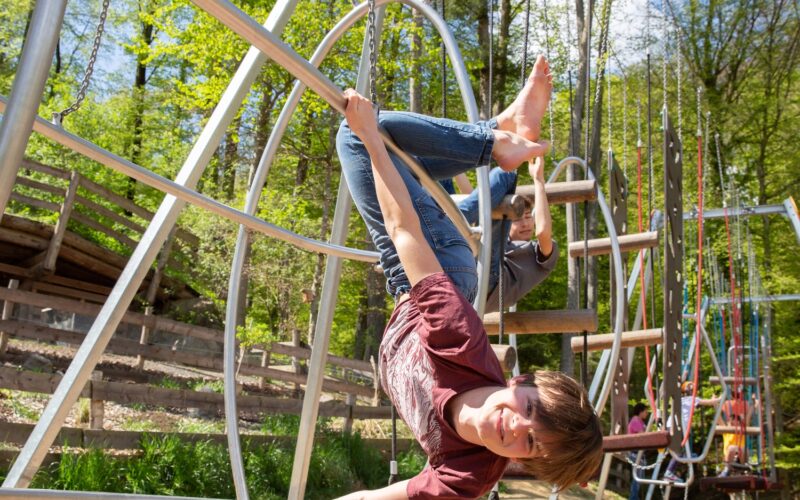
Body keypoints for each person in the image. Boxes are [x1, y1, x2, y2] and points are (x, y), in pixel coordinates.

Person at [333, 82, 603, 498]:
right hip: (435, 263)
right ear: (519, 382)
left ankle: (502, 136)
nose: (513, 427)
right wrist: (368, 136)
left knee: (398, 151)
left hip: (435, 283)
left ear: (523, 462)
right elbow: (403, 229)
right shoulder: (459, 342)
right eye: (527, 409)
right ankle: (496, 143)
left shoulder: (469, 475)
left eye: (529, 442)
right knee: (358, 136)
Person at [663, 381, 717, 482]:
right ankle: (669, 472)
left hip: (671, 425)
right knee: (678, 450)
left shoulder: (680, 399)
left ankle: (679, 462)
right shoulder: (692, 399)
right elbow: (709, 402)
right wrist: (718, 398)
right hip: (678, 427)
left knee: (678, 450)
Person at [718, 389, 756, 477]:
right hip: (731, 453)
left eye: (736, 421)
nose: (734, 423)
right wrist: (714, 404)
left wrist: (753, 403)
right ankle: (727, 468)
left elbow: (748, 416)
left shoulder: (742, 429)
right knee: (732, 448)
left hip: (740, 453)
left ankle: (744, 468)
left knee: (742, 449)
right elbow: (719, 418)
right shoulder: (727, 430)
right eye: (732, 421)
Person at [627, 402, 649, 500]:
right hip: (635, 452)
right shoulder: (636, 420)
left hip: (639, 453)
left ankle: (635, 496)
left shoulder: (641, 422)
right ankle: (633, 497)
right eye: (645, 411)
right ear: (640, 412)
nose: (646, 413)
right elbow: (643, 436)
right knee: (637, 478)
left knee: (639, 478)